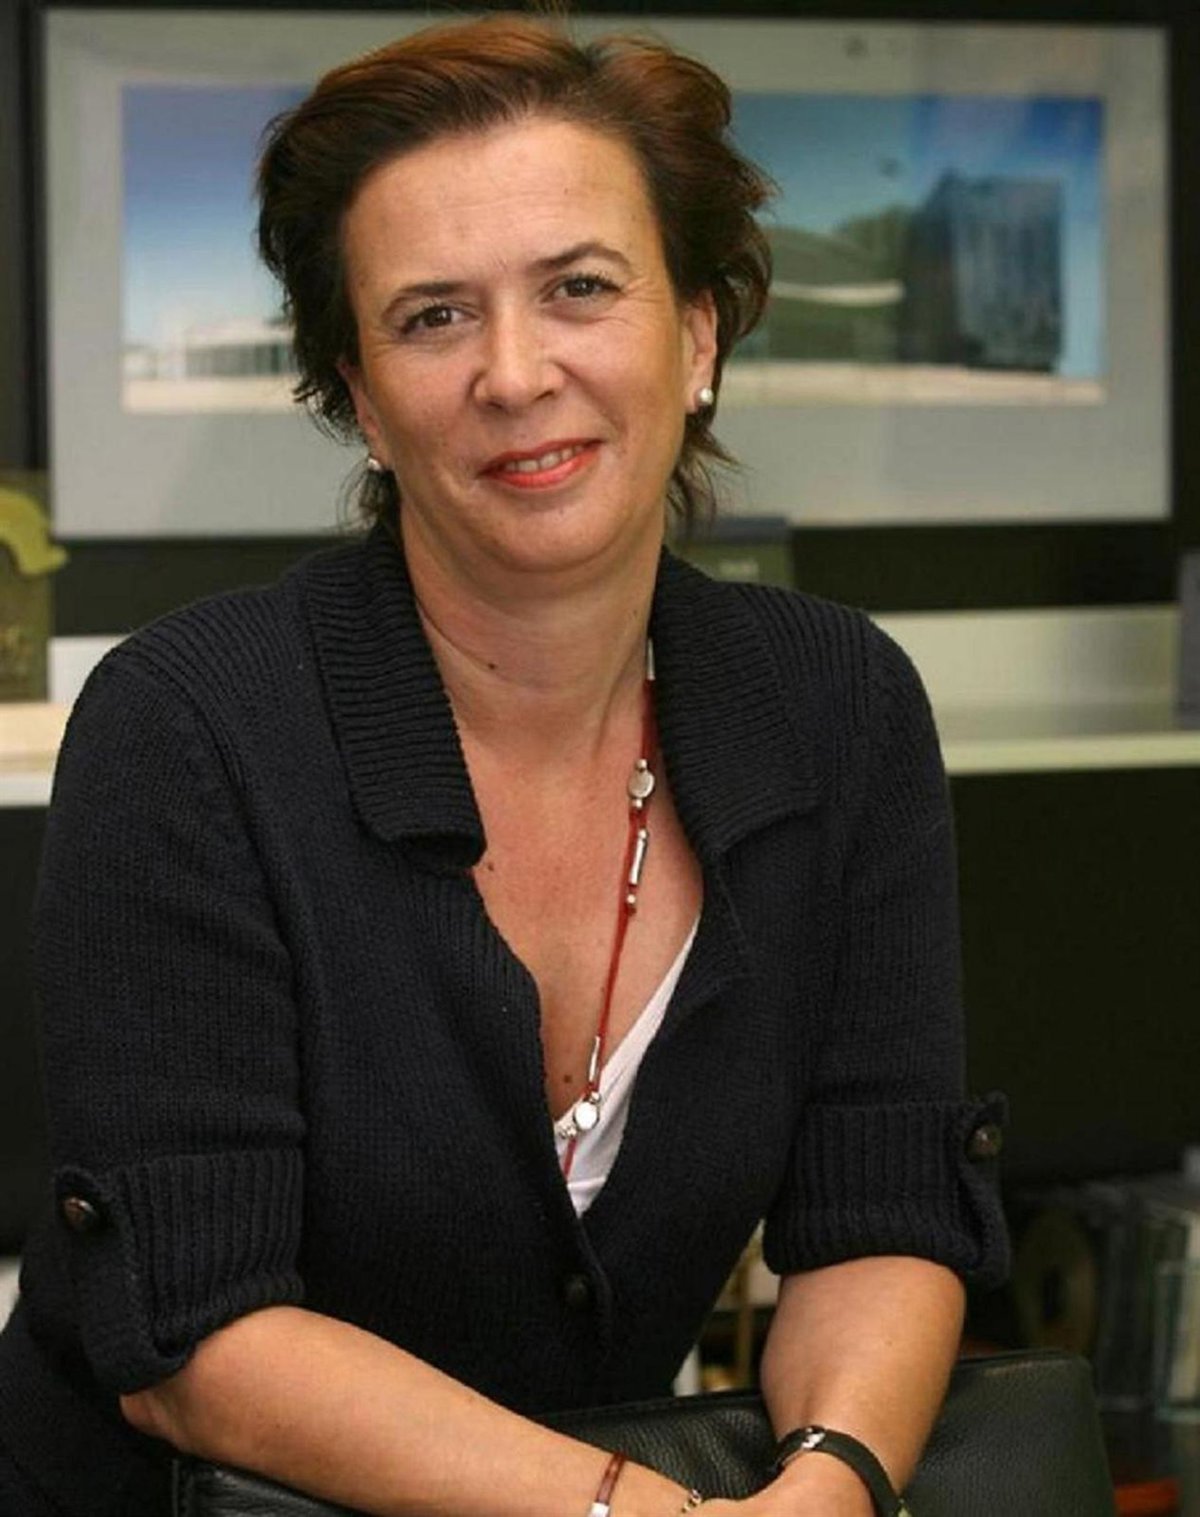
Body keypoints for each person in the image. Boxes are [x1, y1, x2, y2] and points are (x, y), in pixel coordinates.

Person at [0, 14, 1008, 1516]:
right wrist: (636, 1512)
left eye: (580, 288)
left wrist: (835, 1482)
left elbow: (885, 1208)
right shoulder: (192, 727)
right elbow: (192, 1336)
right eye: (432, 318)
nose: (516, 372)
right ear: (360, 395)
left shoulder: (838, 705)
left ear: (699, 333)